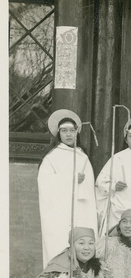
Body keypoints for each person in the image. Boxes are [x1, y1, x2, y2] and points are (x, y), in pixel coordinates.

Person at [38, 109, 97, 266]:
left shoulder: (82, 156)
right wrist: (70, 180)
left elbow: (90, 190)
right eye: (64, 131)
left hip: (81, 209)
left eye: (72, 130)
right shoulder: (52, 157)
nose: (69, 134)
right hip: (60, 212)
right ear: (58, 134)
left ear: (77, 132)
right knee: (60, 242)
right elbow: (45, 183)